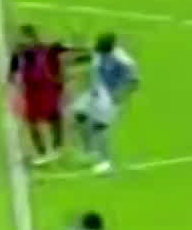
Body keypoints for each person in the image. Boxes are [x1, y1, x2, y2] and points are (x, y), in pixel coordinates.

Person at [70, 33, 138, 175]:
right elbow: (88, 54)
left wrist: (119, 96)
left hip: (112, 97)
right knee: (78, 114)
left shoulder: (124, 61)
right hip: (96, 92)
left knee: (99, 128)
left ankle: (105, 163)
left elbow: (133, 81)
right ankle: (89, 151)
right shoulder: (99, 52)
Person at [8, 24, 71, 165]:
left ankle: (57, 147)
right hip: (31, 91)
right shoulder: (18, 53)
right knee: (32, 122)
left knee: (54, 118)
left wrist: (59, 84)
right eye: (22, 38)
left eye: (27, 37)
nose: (25, 41)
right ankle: (41, 152)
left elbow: (58, 63)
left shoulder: (45, 50)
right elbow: (11, 74)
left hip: (47, 89)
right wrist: (16, 85)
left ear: (33, 37)